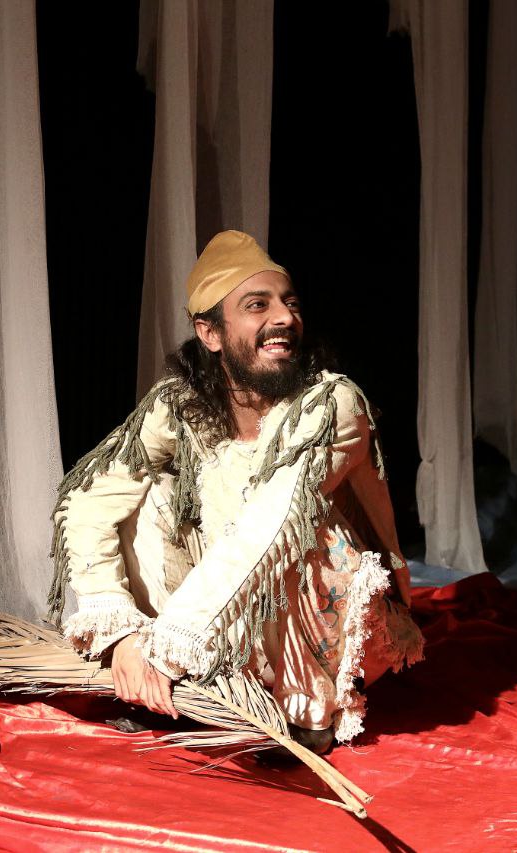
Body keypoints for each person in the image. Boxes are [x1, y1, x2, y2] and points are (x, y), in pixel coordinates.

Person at [46, 231, 423, 751]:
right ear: (211, 333)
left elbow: (268, 525)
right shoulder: (180, 403)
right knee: (149, 494)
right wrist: (122, 631)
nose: (285, 317)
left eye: (290, 303)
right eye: (258, 305)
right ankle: (200, 684)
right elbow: (89, 497)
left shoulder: (331, 403)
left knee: (302, 521)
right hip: (225, 629)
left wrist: (166, 647)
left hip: (325, 641)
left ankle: (305, 717)